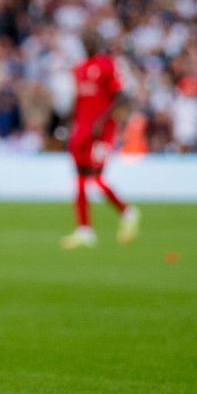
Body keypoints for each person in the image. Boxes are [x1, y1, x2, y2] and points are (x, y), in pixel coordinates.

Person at [61, 32, 140, 249]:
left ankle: (128, 212)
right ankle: (84, 230)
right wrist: (68, 125)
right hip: (81, 131)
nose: (88, 42)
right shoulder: (79, 69)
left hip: (102, 132)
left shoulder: (107, 65)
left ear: (98, 42)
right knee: (78, 180)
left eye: (91, 39)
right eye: (85, 39)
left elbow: (121, 96)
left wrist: (102, 121)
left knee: (96, 179)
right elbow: (78, 101)